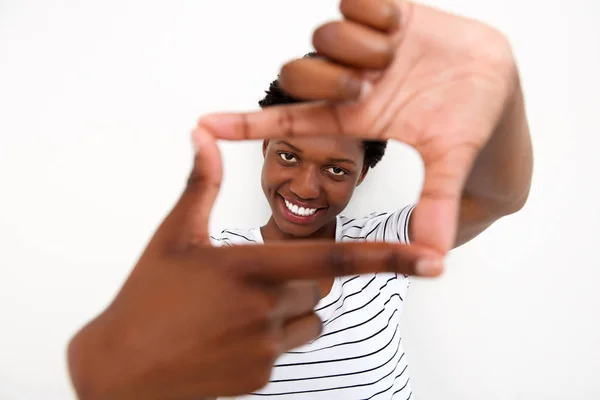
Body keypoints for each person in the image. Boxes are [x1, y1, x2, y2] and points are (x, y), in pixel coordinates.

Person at [67, 0, 533, 399]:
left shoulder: (385, 243)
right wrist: (117, 372)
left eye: (337, 169)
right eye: (289, 156)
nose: (307, 188)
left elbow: (497, 199)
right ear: (265, 148)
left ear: (364, 172)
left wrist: (501, 91)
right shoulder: (220, 264)